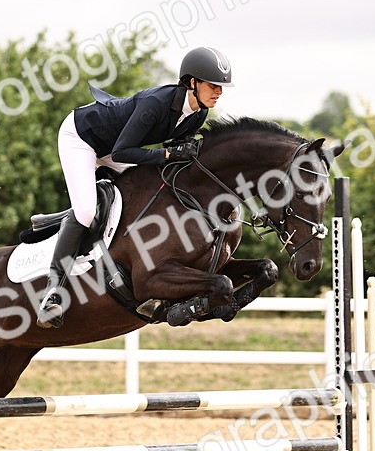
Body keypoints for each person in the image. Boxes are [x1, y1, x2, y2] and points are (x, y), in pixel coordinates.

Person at [37, 46, 234, 328]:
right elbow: (122, 153)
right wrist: (167, 155)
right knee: (85, 212)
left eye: (221, 87)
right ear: (192, 82)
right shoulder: (157, 102)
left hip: (116, 147)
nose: (219, 92)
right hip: (82, 139)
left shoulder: (198, 114)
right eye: (213, 85)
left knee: (153, 190)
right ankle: (53, 291)